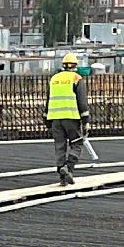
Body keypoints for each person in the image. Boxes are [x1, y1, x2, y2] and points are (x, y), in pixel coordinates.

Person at [46, 52, 88, 185]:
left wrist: (46, 119)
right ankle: (68, 167)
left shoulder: (54, 79)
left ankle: (62, 177)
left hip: (55, 119)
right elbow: (82, 101)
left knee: (60, 147)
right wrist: (85, 121)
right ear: (75, 65)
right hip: (71, 118)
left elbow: (48, 100)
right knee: (77, 144)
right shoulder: (76, 78)